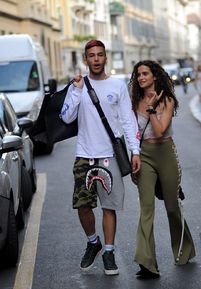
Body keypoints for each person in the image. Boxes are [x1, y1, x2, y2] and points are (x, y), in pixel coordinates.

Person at [61, 40, 141, 276]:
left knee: (109, 206)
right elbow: (66, 118)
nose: (96, 59)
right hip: (84, 155)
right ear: (86, 60)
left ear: (106, 58)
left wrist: (135, 151)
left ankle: (108, 251)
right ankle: (93, 241)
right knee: (83, 205)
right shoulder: (77, 87)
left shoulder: (117, 86)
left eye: (100, 55)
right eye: (91, 56)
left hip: (110, 155)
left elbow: (128, 120)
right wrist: (75, 91)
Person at [128, 60, 196, 279]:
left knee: (172, 207)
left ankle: (184, 250)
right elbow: (133, 132)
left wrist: (151, 110)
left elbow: (159, 131)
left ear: (155, 76)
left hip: (165, 153)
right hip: (144, 156)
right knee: (146, 208)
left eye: (145, 73)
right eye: (138, 74)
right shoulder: (134, 101)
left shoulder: (166, 99)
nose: (141, 77)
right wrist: (134, 154)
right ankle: (147, 263)